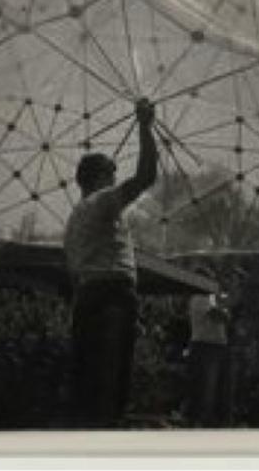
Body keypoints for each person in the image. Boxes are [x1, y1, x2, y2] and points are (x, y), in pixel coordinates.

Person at [64, 97, 157, 428]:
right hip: (113, 295)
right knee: (111, 390)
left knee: (89, 386)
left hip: (88, 300)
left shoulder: (73, 221)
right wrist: (145, 126)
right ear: (98, 178)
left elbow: (75, 276)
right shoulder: (103, 201)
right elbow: (146, 176)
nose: (114, 181)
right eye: (111, 175)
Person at [187, 270, 231, 428]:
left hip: (216, 347)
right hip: (205, 347)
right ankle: (201, 425)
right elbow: (221, 316)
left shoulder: (211, 299)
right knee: (206, 392)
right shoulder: (199, 298)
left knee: (217, 390)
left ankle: (211, 424)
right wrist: (226, 302)